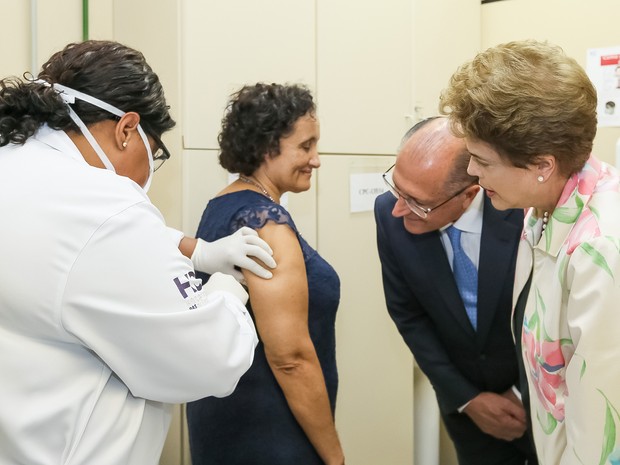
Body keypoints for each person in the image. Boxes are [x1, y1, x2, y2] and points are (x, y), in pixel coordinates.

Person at [0, 40, 277, 465]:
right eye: (156, 152)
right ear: (126, 129)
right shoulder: (103, 205)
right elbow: (208, 359)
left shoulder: (17, 168)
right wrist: (225, 293)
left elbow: (71, 255)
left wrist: (197, 251)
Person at [439, 39, 620, 465]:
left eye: (482, 160)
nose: (471, 172)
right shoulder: (544, 206)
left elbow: (601, 426)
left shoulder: (602, 252)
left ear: (542, 165)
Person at [186, 83, 345, 465]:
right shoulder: (266, 225)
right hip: (269, 428)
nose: (316, 159)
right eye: (306, 146)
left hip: (225, 415)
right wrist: (335, 457)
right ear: (267, 146)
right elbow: (290, 357)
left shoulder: (223, 205)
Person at [375, 116, 537, 465]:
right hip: (464, 406)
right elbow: (408, 313)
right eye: (395, 188)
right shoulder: (390, 214)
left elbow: (547, 314)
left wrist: (521, 394)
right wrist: (468, 399)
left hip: (540, 400)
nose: (399, 209)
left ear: (469, 194)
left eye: (417, 201)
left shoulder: (527, 212)